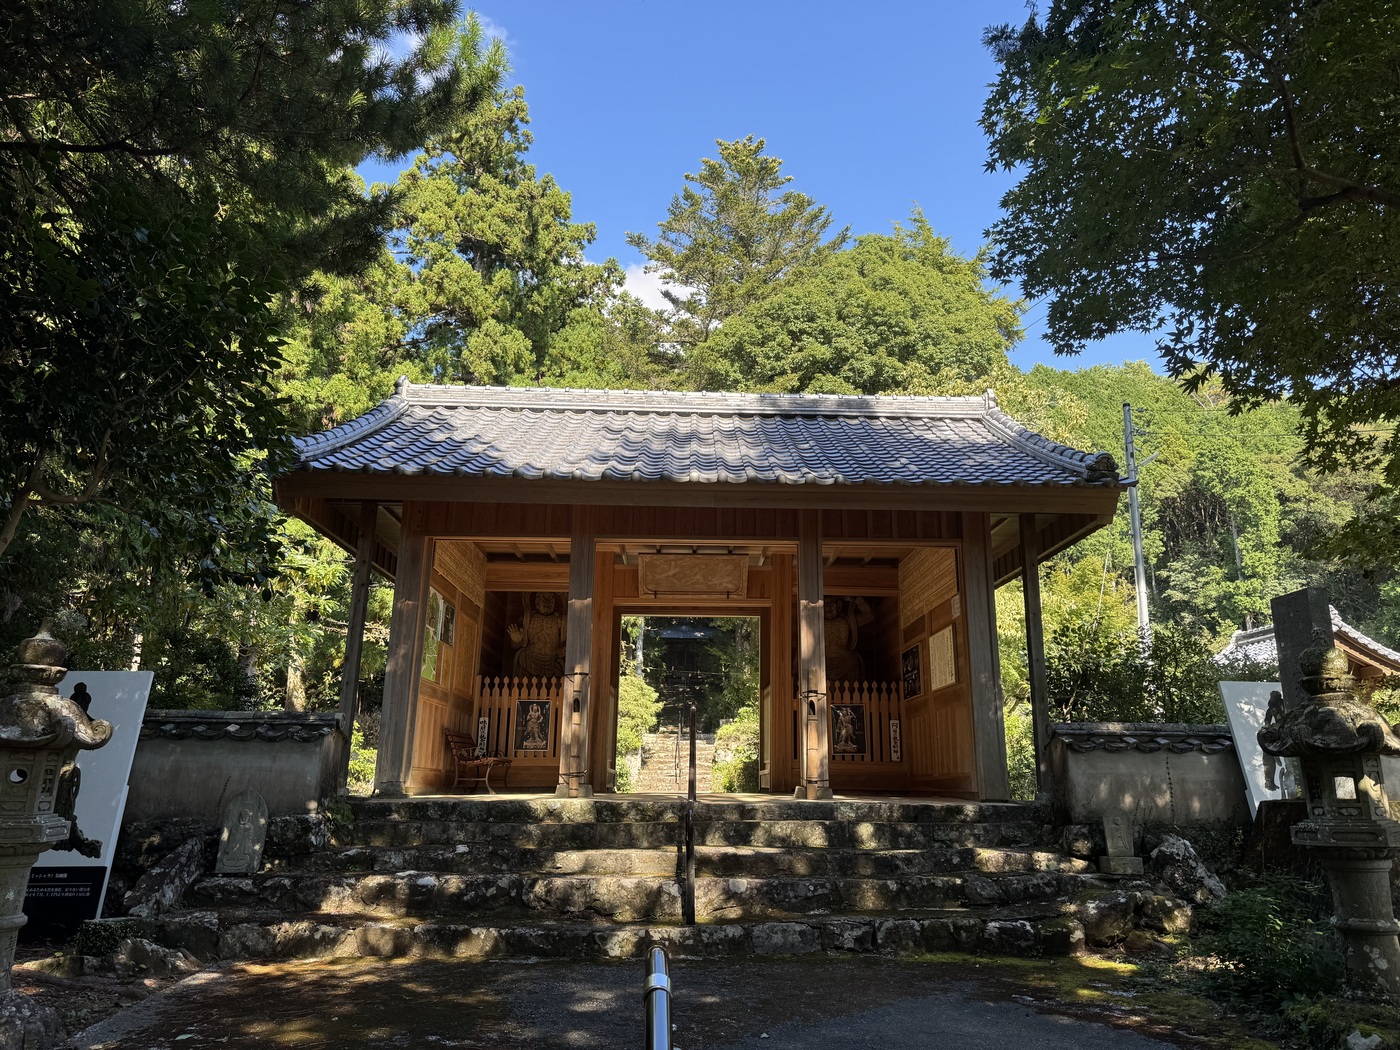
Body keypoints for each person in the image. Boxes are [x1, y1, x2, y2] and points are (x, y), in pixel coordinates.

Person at [507, 592, 567, 677]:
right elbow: (515, 646)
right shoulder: (527, 619)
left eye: (551, 600)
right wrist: (517, 640)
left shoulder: (560, 621)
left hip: (551, 663)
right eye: (544, 599)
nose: (547, 603)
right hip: (529, 660)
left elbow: (567, 643)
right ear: (537, 602)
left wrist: (562, 651)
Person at [824, 596, 874, 682]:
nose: (828, 607)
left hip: (845, 659)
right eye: (825, 605)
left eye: (830, 604)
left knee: (853, 659)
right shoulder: (817, 623)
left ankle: (851, 692)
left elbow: (869, 616)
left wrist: (857, 600)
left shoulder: (847, 621)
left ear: (838, 605)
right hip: (824, 661)